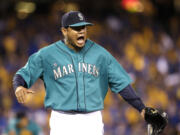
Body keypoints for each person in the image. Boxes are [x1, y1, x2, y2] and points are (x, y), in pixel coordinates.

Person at [13, 11, 166, 135]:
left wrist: (141, 108)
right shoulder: (47, 54)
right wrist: (19, 86)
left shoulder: (100, 54)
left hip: (92, 120)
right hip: (62, 120)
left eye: (84, 28)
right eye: (76, 28)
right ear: (64, 31)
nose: (81, 32)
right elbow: (23, 74)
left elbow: (121, 84)